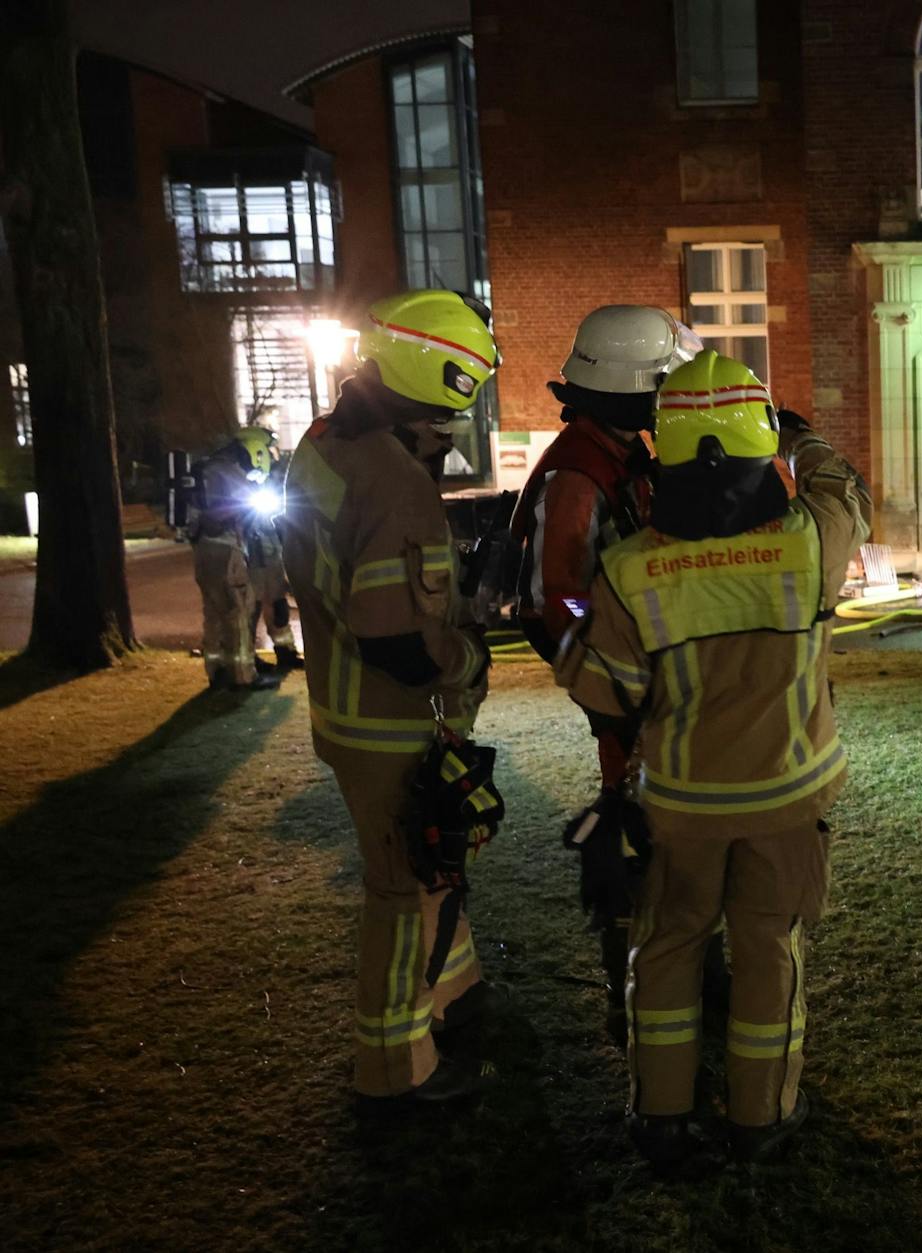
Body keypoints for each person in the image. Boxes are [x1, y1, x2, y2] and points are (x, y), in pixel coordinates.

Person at [559, 350, 869, 1167]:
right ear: (755, 443)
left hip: (681, 806)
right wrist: (801, 440)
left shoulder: (631, 570)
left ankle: (660, 1116)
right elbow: (845, 489)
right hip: (789, 799)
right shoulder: (813, 543)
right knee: (771, 952)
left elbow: (602, 690)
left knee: (666, 949)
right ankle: (761, 1117)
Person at [278, 289, 503, 1104]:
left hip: (343, 710)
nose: (452, 435)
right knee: (401, 889)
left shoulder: (323, 442)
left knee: (424, 867)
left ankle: (458, 994)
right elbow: (400, 641)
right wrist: (468, 653)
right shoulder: (394, 480)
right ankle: (395, 1070)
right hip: (390, 722)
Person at [509, 305, 697, 1038]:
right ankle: (641, 991)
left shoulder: (612, 456)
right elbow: (558, 596)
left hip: (633, 681)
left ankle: (656, 977)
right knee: (637, 833)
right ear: (633, 389)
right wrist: (615, 677)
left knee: (656, 827)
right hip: (624, 690)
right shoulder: (581, 473)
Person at [189, 426, 283, 691]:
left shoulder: (207, 468)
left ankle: (216, 671)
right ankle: (244, 675)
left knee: (214, 613)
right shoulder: (230, 472)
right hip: (227, 549)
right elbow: (249, 506)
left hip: (203, 550)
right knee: (240, 611)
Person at [243, 437, 301, 671]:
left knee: (278, 604)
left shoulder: (270, 477)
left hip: (270, 550)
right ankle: (249, 658)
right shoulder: (239, 479)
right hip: (252, 554)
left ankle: (285, 652)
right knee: (252, 606)